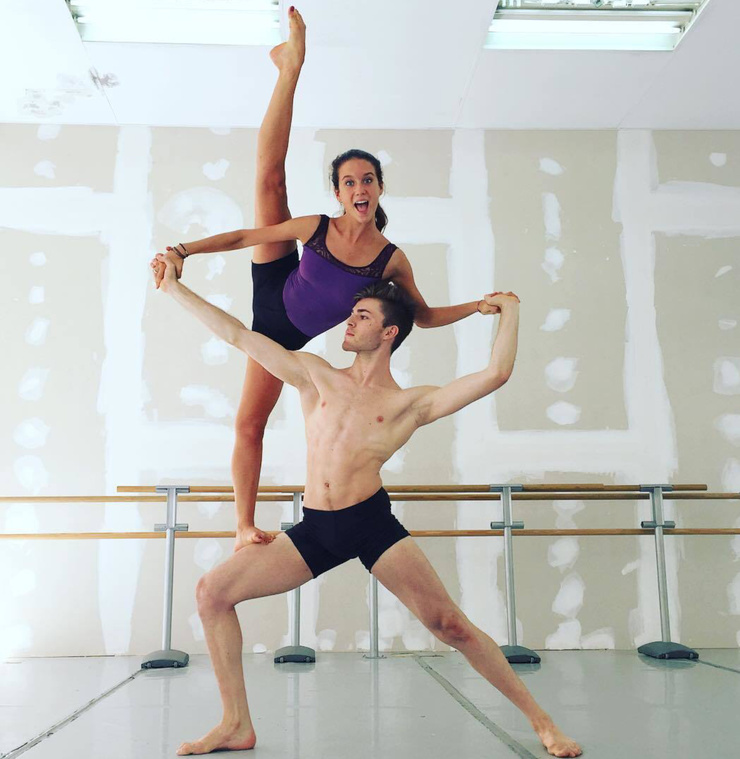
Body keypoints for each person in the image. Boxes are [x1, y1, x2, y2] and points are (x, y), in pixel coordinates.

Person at [154, 252, 582, 758]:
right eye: (352, 314)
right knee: (211, 593)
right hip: (315, 529)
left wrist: (509, 309)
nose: (350, 321)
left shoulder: (409, 404)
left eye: (362, 316)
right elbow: (239, 336)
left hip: (369, 524)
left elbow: (496, 373)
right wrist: (173, 288)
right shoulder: (314, 374)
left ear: (389, 333)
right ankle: (235, 724)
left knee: (450, 625)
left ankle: (543, 723)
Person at [150, 6, 498, 558]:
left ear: (378, 189)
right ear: (338, 192)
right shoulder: (316, 227)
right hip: (277, 278)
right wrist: (184, 250)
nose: (359, 188)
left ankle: (242, 526)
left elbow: (425, 316)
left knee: (249, 424)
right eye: (348, 181)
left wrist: (477, 306)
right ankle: (290, 67)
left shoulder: (390, 261)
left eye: (367, 179)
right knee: (269, 179)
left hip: (283, 333)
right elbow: (245, 236)